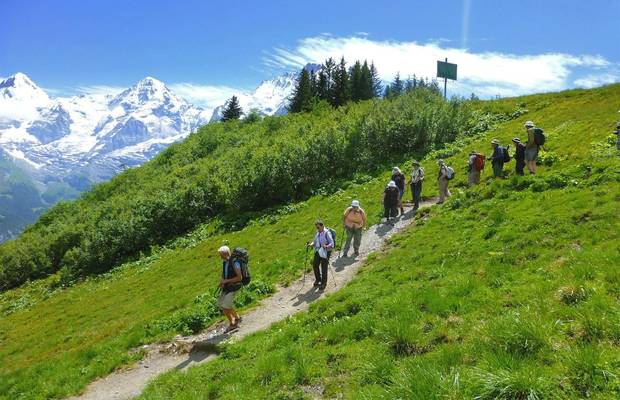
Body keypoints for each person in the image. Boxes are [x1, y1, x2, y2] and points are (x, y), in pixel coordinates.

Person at [217, 245, 243, 333]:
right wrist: (222, 282)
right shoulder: (225, 262)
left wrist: (226, 281)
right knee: (221, 303)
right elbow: (224, 273)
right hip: (228, 286)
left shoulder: (235, 263)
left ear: (225, 254)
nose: (220, 257)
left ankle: (233, 324)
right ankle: (237, 318)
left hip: (235, 286)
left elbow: (239, 278)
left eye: (221, 254)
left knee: (225, 306)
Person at [306, 220, 334, 290]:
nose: (317, 229)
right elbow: (315, 241)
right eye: (316, 227)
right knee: (315, 265)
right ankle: (318, 279)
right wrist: (311, 244)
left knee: (324, 267)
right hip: (318, 251)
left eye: (318, 227)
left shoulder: (327, 233)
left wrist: (326, 246)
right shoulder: (317, 232)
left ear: (322, 226)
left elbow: (332, 243)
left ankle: (324, 283)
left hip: (325, 251)